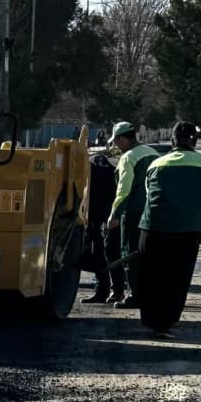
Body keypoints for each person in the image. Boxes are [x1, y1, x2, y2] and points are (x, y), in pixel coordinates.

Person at [130, 121, 201, 338]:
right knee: (177, 277)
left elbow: (148, 193)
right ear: (195, 141)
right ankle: (166, 322)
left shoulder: (156, 164)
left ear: (172, 140)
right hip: (185, 230)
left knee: (151, 274)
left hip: (152, 228)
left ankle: (151, 319)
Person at [107, 123, 156, 308]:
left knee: (129, 253)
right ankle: (150, 293)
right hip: (153, 212)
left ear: (122, 138)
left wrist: (115, 214)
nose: (116, 146)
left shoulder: (128, 158)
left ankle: (135, 295)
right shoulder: (152, 152)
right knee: (148, 254)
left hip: (134, 212)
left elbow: (124, 190)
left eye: (116, 142)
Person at [83, 128, 124, 303]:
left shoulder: (95, 162)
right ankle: (112, 290)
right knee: (110, 251)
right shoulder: (121, 161)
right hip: (114, 212)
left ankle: (108, 289)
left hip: (101, 213)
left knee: (104, 251)